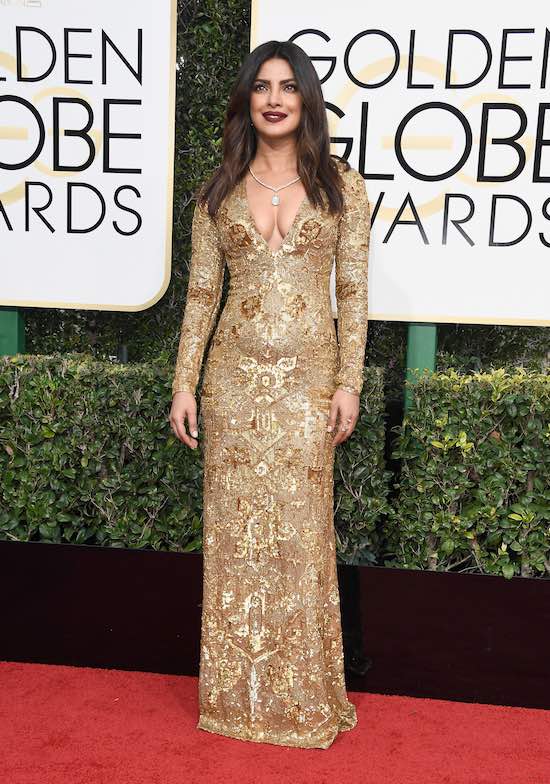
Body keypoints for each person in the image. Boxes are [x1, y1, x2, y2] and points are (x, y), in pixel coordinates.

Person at [170, 39, 371, 749]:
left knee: (301, 538)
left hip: (308, 389)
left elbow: (352, 292)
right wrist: (183, 384)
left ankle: (301, 699)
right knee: (233, 540)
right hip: (231, 386)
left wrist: (349, 382)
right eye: (262, 87)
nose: (276, 98)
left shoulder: (341, 187)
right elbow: (199, 298)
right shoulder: (216, 191)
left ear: (306, 99)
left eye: (289, 86)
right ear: (246, 101)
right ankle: (234, 702)